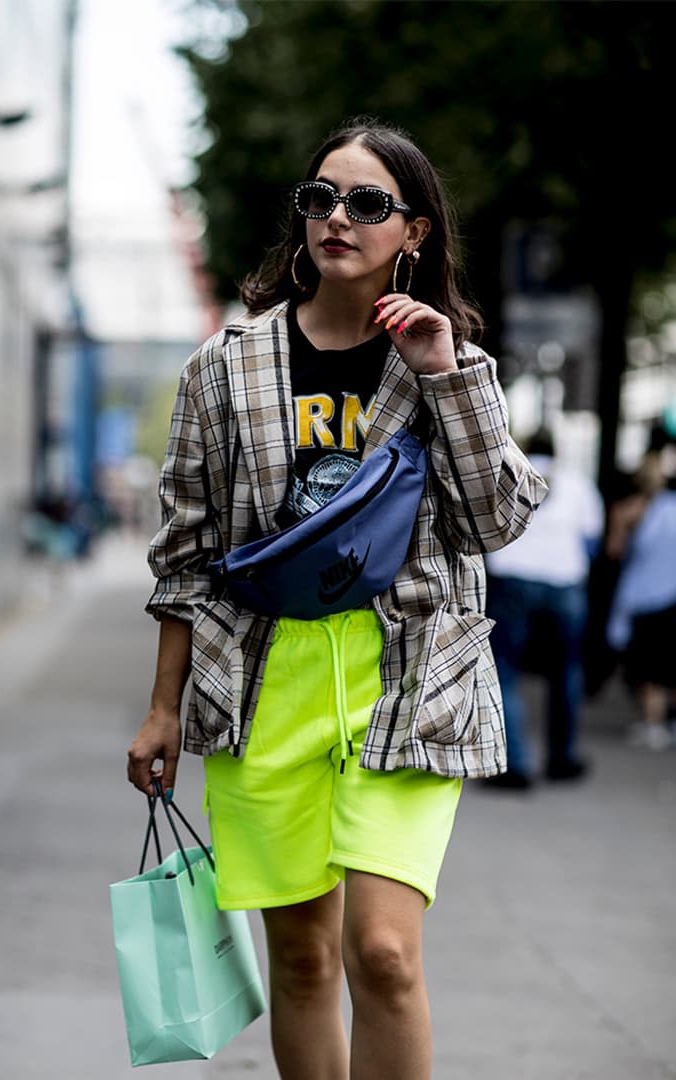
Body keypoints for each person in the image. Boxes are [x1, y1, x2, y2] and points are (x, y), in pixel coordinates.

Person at [127, 117, 546, 1079]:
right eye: (320, 198)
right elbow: (185, 551)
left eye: (367, 203)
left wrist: (445, 377)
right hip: (264, 680)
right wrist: (161, 707)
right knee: (305, 959)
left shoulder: (450, 364)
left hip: (407, 676)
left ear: (416, 232)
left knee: (385, 955)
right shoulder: (226, 369)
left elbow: (499, 521)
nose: (337, 218)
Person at [484, 428, 604, 789]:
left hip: (513, 578)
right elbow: (591, 539)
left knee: (505, 669)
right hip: (564, 580)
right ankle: (561, 758)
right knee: (566, 670)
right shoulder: (577, 483)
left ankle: (514, 765)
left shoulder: (505, 472)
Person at [606, 446, 676, 750]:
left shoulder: (636, 510)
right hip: (669, 595)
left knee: (648, 667)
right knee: (665, 663)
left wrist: (619, 523)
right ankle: (662, 721)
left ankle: (653, 724)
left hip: (647, 597)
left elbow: (614, 550)